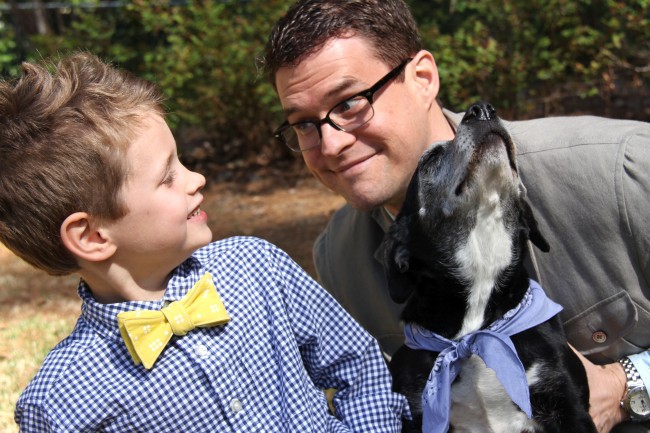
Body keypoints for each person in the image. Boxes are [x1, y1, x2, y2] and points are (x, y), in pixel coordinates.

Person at [262, 1, 650, 432]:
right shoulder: (339, 263)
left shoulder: (625, 172)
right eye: (303, 125)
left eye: (350, 102)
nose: (330, 145)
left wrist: (624, 386)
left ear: (423, 79)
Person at [0, 52, 407, 432]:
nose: (196, 179)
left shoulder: (256, 267)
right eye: (166, 177)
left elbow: (357, 364)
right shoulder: (63, 400)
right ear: (91, 236)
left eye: (182, 162)